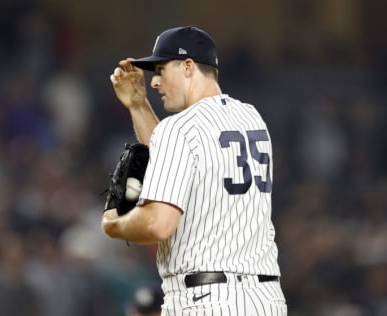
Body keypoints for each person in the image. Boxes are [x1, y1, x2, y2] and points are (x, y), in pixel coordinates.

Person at [102, 25, 287, 315]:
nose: (154, 82)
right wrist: (138, 105)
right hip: (265, 299)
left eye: (161, 70)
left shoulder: (180, 129)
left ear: (188, 66)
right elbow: (177, 156)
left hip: (208, 299)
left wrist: (115, 224)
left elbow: (157, 225)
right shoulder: (251, 117)